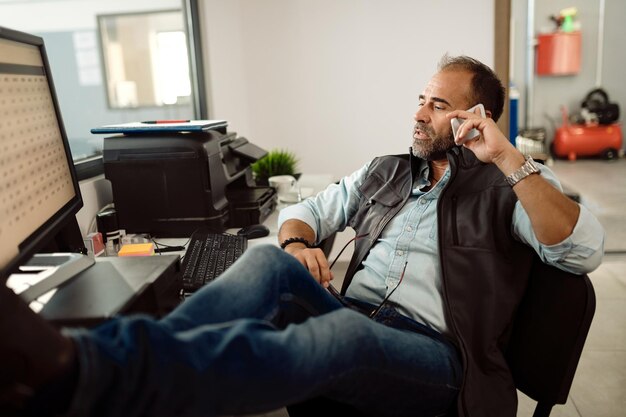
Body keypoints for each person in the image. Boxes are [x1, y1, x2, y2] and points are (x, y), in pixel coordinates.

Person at [0, 55, 603, 417]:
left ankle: (87, 375)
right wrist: (296, 244)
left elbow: (581, 248)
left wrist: (507, 160)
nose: (419, 112)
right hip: (362, 317)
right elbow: (304, 213)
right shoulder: (386, 170)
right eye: (420, 98)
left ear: (479, 119)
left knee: (339, 333)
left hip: (445, 364)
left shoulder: (512, 184)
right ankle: (120, 377)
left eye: (438, 103)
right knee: (269, 266)